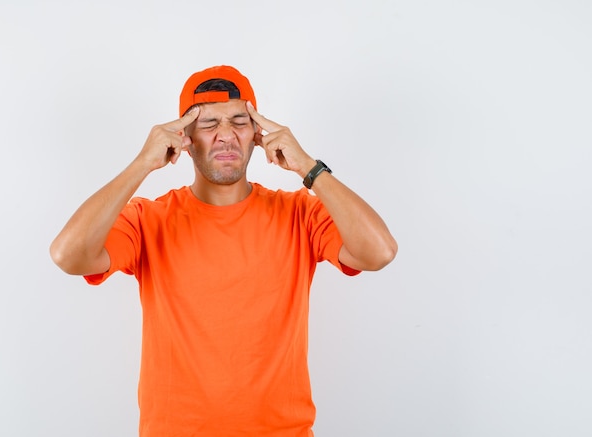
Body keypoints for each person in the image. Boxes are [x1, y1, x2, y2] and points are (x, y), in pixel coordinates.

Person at [50, 65, 397, 437]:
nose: (226, 136)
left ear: (257, 134)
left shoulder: (299, 213)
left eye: (239, 121)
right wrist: (142, 164)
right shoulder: (148, 220)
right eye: (208, 124)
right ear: (184, 138)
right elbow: (68, 255)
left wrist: (309, 169)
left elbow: (379, 252)